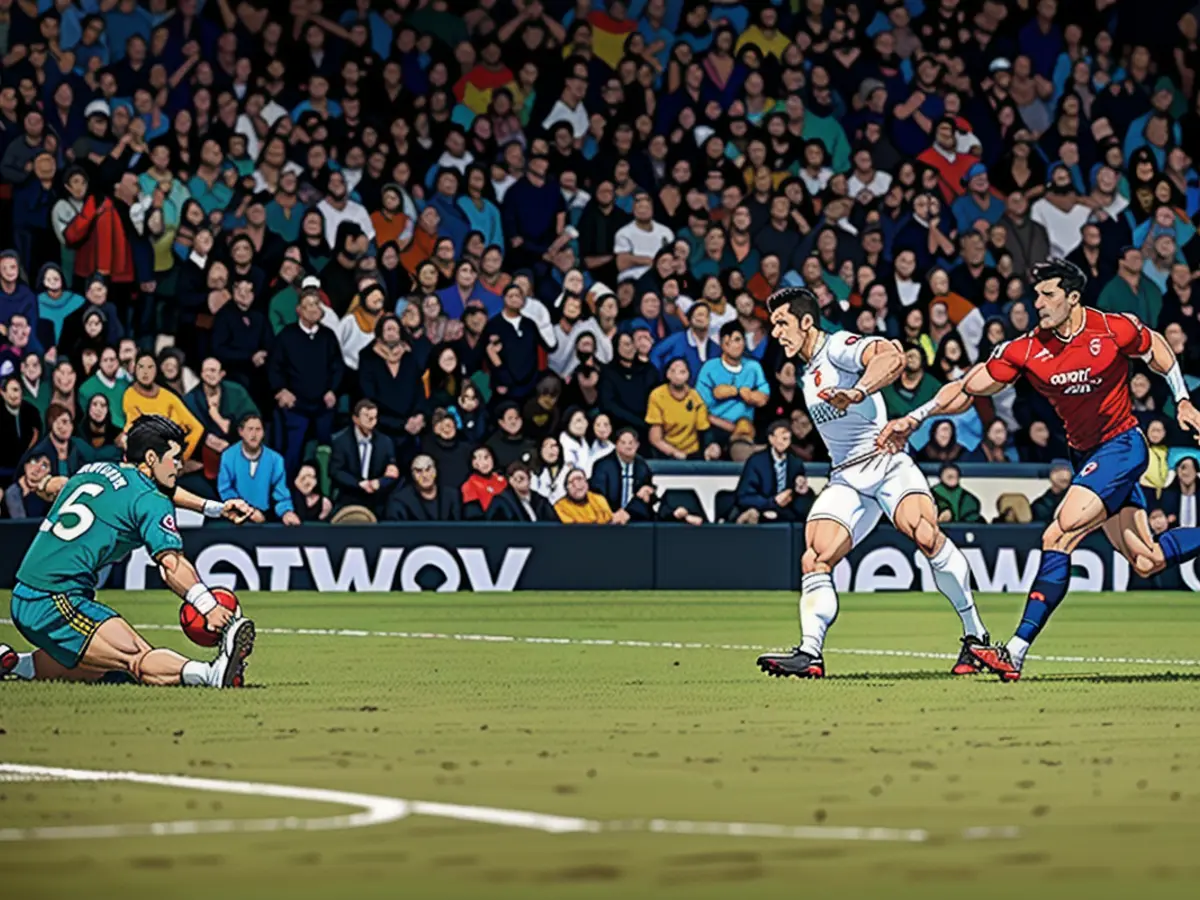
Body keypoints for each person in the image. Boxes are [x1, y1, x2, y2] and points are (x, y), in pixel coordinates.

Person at [880, 259, 1200, 680]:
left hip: (1123, 446)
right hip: (1085, 456)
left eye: (1048, 295)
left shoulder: (1111, 328)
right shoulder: (1027, 349)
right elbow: (966, 387)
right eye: (1036, 295)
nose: (1038, 303)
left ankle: (1014, 651)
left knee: (1058, 533)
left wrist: (1181, 399)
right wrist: (915, 417)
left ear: (1072, 297)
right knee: (1146, 560)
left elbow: (1156, 346)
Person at [755, 287, 990, 680]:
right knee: (815, 557)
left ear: (806, 321)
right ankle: (810, 653)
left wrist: (858, 390)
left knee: (926, 535)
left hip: (886, 463)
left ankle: (976, 636)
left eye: (782, 323)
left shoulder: (839, 347)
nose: (776, 332)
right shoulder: (806, 370)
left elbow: (892, 356)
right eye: (773, 324)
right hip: (846, 475)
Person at [1, 416, 255, 687]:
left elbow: (59, 485)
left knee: (103, 670)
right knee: (136, 657)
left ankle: (17, 663)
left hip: (29, 593)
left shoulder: (95, 469)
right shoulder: (150, 501)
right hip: (55, 599)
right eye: (175, 458)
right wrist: (208, 606)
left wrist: (213, 508)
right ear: (151, 457)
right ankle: (211, 675)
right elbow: (171, 565)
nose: (180, 467)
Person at [268, 287, 344, 477]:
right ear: (298, 310)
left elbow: (338, 367)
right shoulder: (286, 336)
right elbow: (274, 367)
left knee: (326, 451)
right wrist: (281, 391)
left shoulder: (328, 336)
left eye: (317, 304)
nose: (313, 309)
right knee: (292, 452)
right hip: (295, 405)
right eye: (308, 305)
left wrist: (332, 391)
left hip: (323, 405)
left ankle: (325, 494)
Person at [217, 414, 300, 526]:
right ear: (241, 432)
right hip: (235, 515)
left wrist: (286, 512)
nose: (254, 434)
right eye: (250, 429)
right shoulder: (228, 456)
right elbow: (225, 490)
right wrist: (247, 511)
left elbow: (281, 492)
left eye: (258, 430)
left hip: (266, 516)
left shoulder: (275, 459)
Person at [329, 399, 400, 517]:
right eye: (367, 417)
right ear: (355, 419)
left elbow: (392, 474)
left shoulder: (386, 442)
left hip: (377, 498)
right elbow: (335, 471)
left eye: (374, 417)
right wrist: (358, 484)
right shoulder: (340, 441)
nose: (371, 421)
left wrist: (380, 482)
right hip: (349, 495)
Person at [734, 420, 811, 523]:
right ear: (771, 439)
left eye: (787, 439)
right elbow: (744, 497)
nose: (784, 442)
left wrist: (803, 491)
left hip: (786, 514)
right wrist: (773, 501)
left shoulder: (795, 463)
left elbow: (801, 503)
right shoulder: (756, 462)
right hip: (759, 510)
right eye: (782, 438)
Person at [645, 357, 719, 460]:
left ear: (688, 375)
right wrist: (674, 452)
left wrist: (711, 446)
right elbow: (655, 439)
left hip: (692, 453)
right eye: (673, 371)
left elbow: (703, 429)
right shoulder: (657, 395)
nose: (677, 375)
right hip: (666, 453)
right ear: (667, 374)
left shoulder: (695, 396)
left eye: (682, 372)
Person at [589, 427, 655, 524]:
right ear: (616, 445)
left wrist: (629, 512)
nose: (628, 446)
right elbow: (596, 496)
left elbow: (647, 497)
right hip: (607, 520)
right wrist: (612, 515)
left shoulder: (643, 467)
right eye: (623, 443)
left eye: (631, 443)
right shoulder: (602, 466)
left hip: (634, 519)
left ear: (637, 445)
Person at [386, 454, 462, 521]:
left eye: (428, 469)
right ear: (413, 475)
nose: (424, 475)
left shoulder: (452, 495)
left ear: (435, 471)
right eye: (419, 471)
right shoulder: (400, 499)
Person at [488, 460, 561, 522]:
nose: (518, 481)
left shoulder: (541, 501)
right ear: (510, 481)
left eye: (521, 478)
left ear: (529, 479)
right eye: (515, 479)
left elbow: (553, 525)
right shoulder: (501, 501)